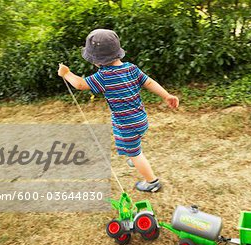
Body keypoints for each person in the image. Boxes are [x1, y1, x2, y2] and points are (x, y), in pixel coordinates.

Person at [58, 28, 179, 192]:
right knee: (127, 141)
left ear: (96, 60)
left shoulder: (104, 76)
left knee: (136, 153)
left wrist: (66, 74)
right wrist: (166, 95)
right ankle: (133, 154)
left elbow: (80, 84)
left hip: (127, 124)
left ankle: (152, 182)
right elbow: (149, 82)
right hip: (139, 119)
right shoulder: (132, 68)